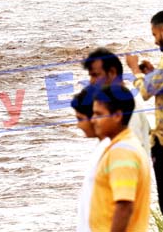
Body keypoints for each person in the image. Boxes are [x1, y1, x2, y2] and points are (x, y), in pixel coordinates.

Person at [125, 10, 163, 232]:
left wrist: (134, 70)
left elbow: (144, 92)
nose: (154, 39)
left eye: (154, 34)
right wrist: (153, 73)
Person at [89, 85, 151, 232]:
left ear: (117, 116)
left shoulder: (122, 152)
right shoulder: (128, 144)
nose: (93, 120)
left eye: (99, 114)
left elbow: (124, 206)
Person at [83, 47, 151, 158]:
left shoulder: (126, 107)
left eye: (95, 75)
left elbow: (130, 154)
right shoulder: (121, 102)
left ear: (112, 73)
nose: (91, 81)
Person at [72, 87, 111, 232]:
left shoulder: (112, 151)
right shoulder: (102, 148)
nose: (78, 125)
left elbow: (124, 205)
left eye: (80, 119)